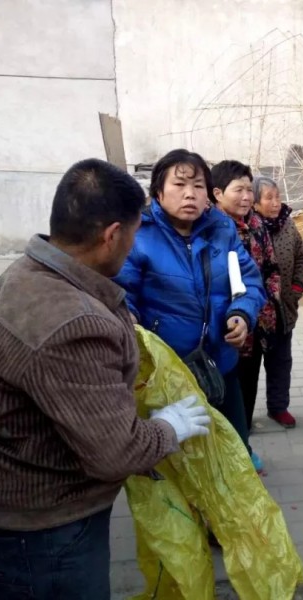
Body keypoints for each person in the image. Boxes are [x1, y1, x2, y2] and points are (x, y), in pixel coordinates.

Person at [0, 159, 212, 599]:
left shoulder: (24, 275)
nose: (133, 247)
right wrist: (167, 428)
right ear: (112, 235)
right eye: (133, 235)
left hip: (12, 517)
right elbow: (116, 452)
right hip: (43, 535)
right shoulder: (73, 323)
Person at [115, 149, 267, 470]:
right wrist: (127, 320)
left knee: (234, 450)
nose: (190, 194)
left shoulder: (222, 229)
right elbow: (120, 294)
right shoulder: (139, 234)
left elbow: (248, 281)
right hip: (168, 372)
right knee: (182, 462)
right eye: (179, 184)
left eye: (198, 186)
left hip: (220, 364)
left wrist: (241, 313)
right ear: (158, 191)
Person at [211, 161, 282, 469]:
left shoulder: (257, 224)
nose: (246, 197)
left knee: (248, 386)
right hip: (222, 329)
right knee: (224, 391)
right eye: (238, 190)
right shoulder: (211, 228)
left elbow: (271, 268)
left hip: (256, 321)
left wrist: (270, 300)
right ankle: (225, 455)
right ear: (217, 194)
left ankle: (244, 444)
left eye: (248, 190)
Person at [251, 175, 303, 428]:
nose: (276, 203)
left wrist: (296, 289)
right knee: (249, 367)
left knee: (281, 363)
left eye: (277, 197)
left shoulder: (287, 225)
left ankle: (278, 407)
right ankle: (244, 415)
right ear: (254, 203)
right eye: (269, 198)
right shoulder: (247, 227)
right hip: (253, 312)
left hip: (283, 309)